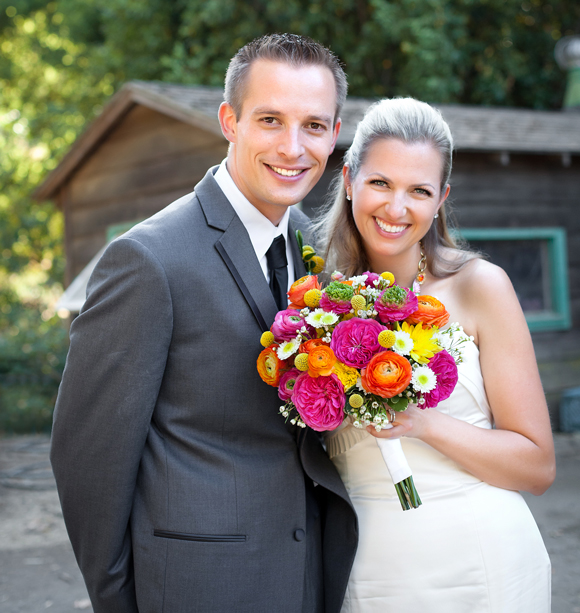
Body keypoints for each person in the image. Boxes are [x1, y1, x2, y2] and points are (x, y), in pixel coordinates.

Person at [50, 34, 358, 613]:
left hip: (304, 577)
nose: (293, 147)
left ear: (334, 132)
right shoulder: (149, 259)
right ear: (230, 121)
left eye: (314, 126)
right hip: (198, 587)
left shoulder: (312, 248)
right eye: (270, 120)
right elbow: (87, 459)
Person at [316, 97, 555, 612]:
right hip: (364, 569)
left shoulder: (479, 286)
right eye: (381, 183)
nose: (396, 208)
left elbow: (537, 467)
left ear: (441, 198)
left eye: (419, 190)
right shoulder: (316, 308)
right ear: (349, 180)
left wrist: (422, 423)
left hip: (480, 564)